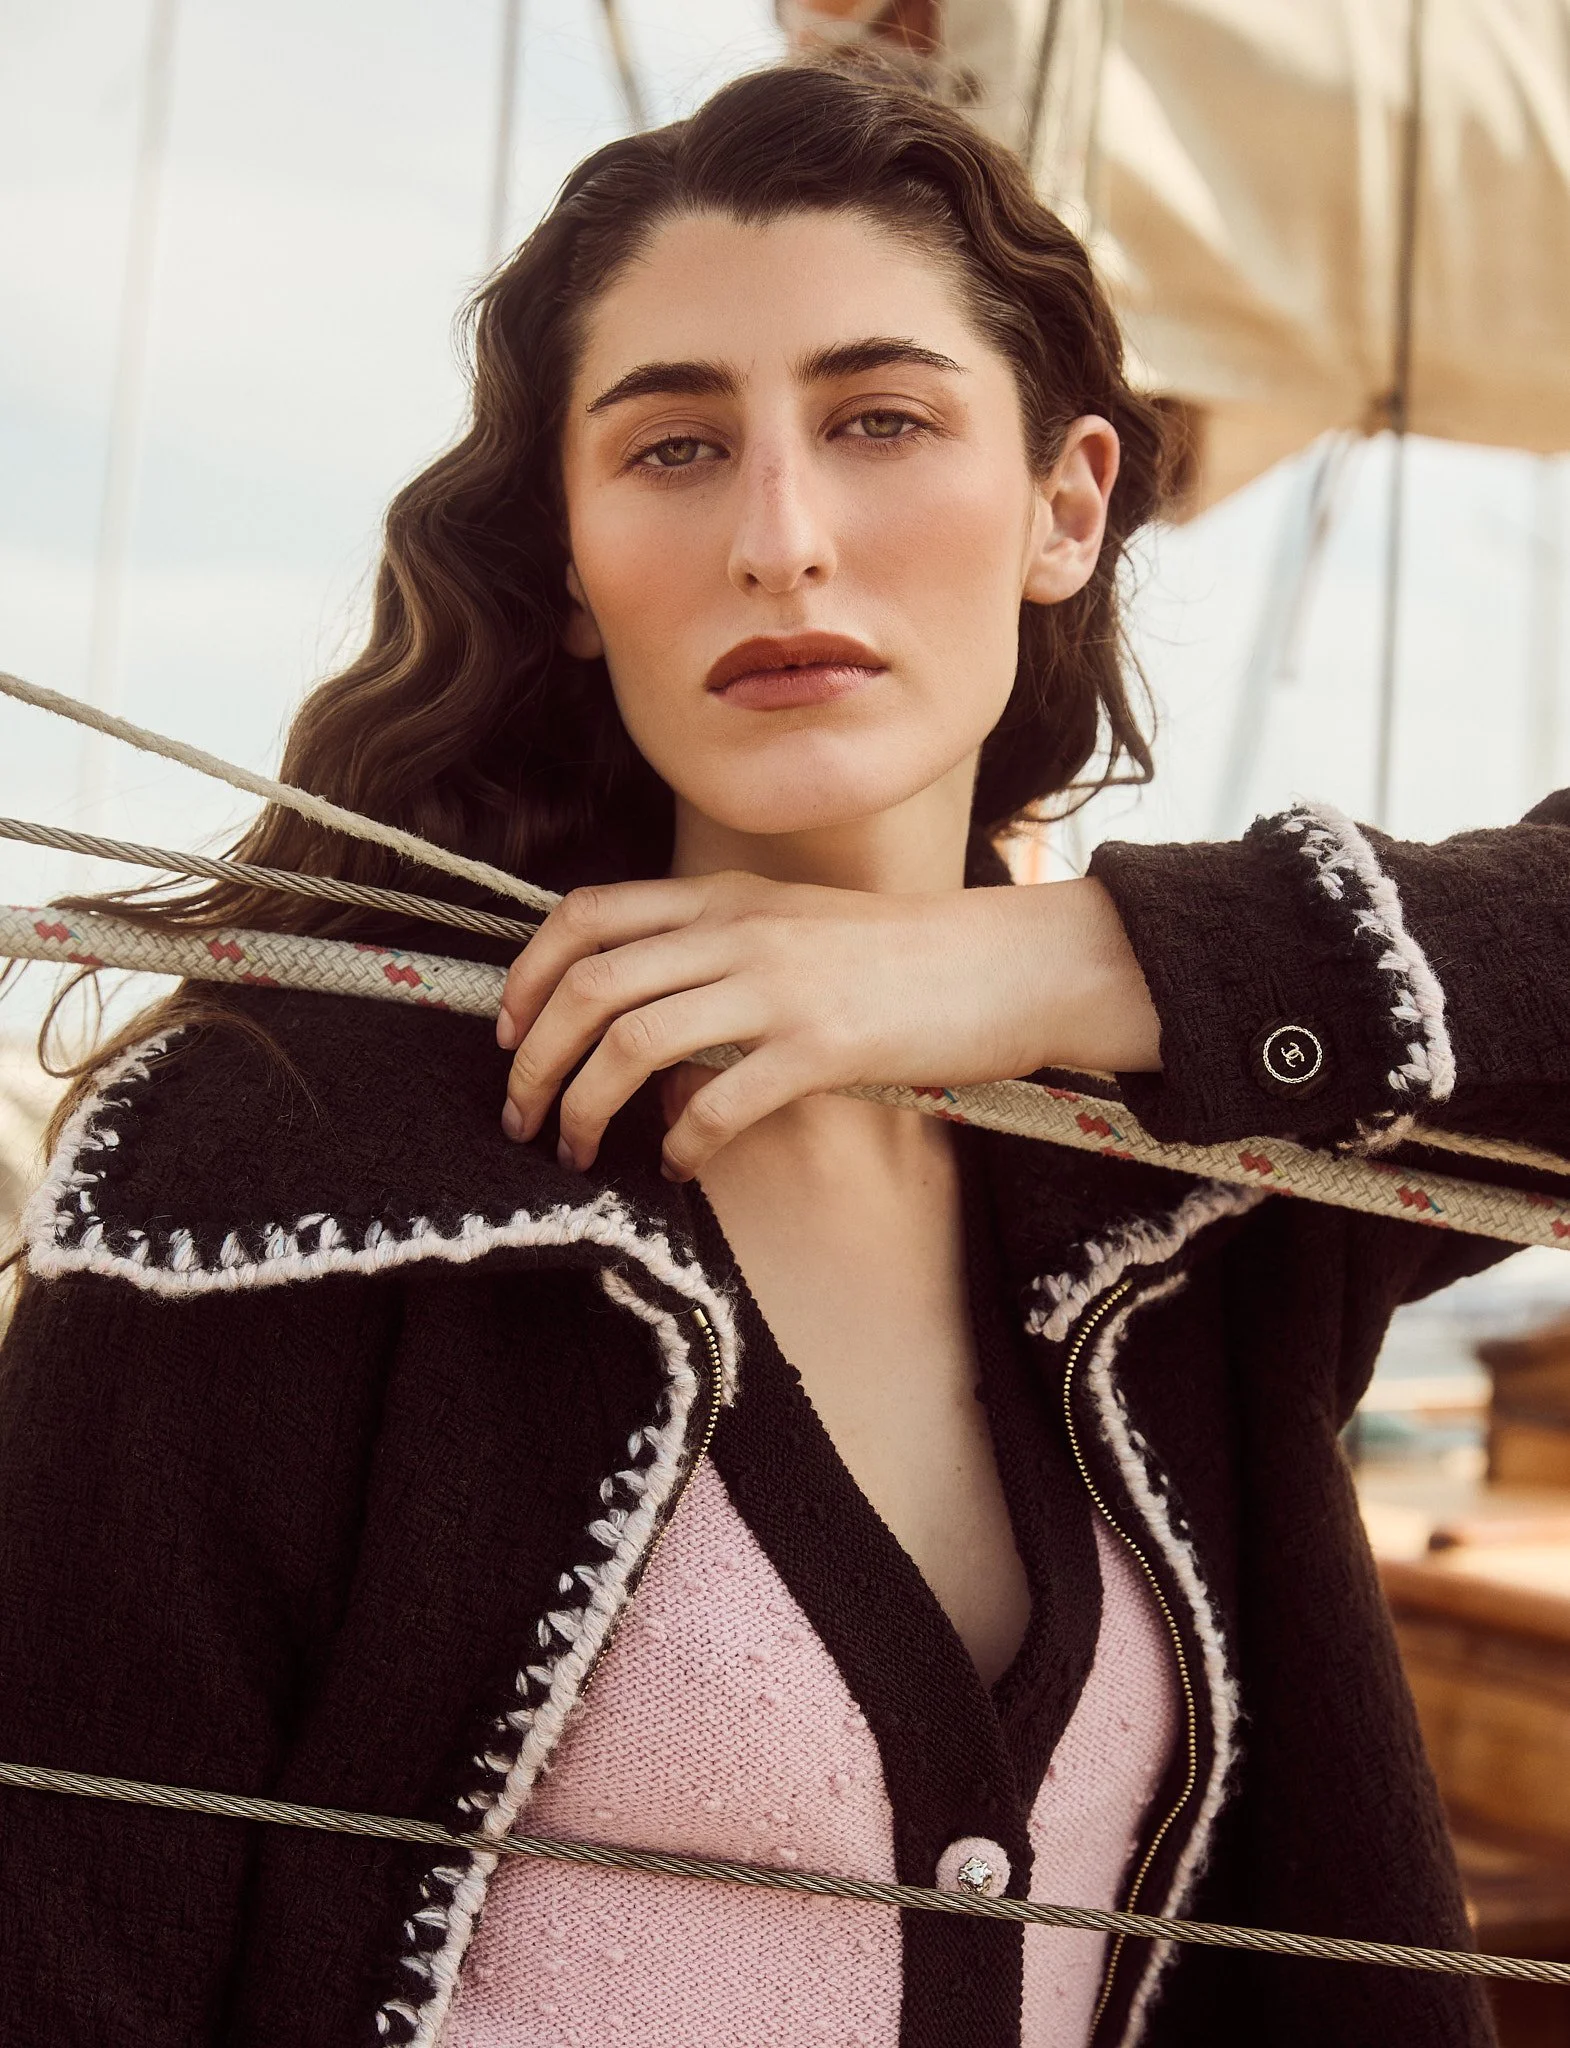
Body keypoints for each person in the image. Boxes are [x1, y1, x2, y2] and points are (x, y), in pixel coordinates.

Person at [1, 57, 1565, 2048]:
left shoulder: (1201, 1178)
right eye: (668, 449)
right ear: (568, 564)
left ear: (1063, 503)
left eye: (880, 418)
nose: (781, 536)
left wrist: (1059, 967)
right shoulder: (287, 1159)